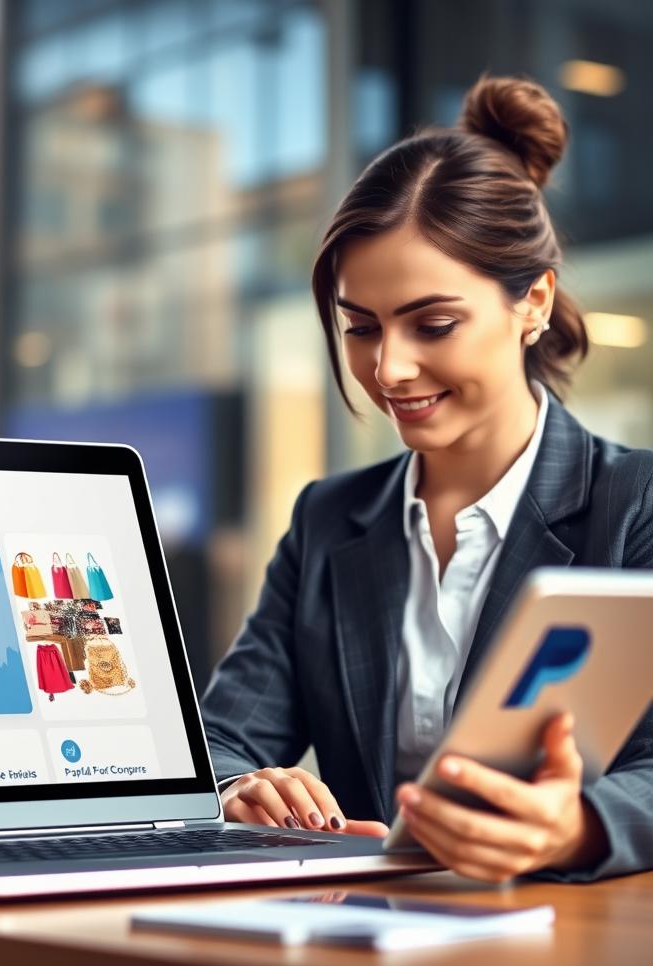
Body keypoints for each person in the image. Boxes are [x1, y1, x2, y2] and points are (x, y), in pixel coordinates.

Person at [200, 73, 653, 883]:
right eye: (361, 327)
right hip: (372, 944)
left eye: (433, 324)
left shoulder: (637, 508)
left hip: (573, 949)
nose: (390, 368)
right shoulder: (329, 519)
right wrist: (244, 786)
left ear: (534, 302)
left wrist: (576, 826)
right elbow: (224, 737)